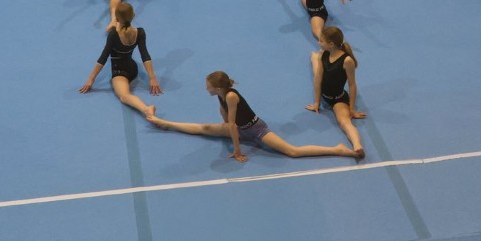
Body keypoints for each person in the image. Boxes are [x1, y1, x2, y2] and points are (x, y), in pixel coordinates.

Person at [147, 71, 362, 162]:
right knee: (203, 128)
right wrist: (223, 125)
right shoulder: (220, 94)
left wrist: (237, 151)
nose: (206, 89)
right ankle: (163, 123)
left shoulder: (231, 96)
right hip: (240, 128)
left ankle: (338, 149)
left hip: (256, 129)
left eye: (208, 86)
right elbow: (226, 120)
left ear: (217, 87)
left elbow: (232, 126)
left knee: (292, 152)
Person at [79, 2, 160, 116]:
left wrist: (91, 79)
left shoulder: (113, 35)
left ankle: (146, 109)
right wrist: (152, 78)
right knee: (125, 94)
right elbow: (145, 55)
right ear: (133, 16)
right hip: (133, 69)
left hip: (119, 72)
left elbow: (103, 58)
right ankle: (146, 109)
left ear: (116, 18)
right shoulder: (140, 32)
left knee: (124, 96)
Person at [307, 26, 365, 157]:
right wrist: (316, 102)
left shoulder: (347, 61)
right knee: (317, 70)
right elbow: (318, 79)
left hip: (338, 98)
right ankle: (313, 57)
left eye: (321, 41)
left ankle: (357, 146)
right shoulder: (323, 53)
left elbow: (352, 85)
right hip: (323, 92)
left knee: (344, 122)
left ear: (331, 44)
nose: (318, 42)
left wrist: (351, 109)